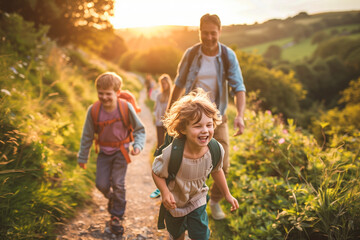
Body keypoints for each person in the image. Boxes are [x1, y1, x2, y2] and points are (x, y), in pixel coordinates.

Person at [167, 13, 246, 220]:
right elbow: (179, 83)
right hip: (191, 117)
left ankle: (215, 200)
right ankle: (186, 204)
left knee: (224, 163)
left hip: (217, 118)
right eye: (205, 33)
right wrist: (169, 112)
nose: (209, 38)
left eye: (213, 33)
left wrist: (240, 115)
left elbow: (239, 87)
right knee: (184, 163)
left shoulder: (228, 56)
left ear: (220, 32)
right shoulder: (192, 54)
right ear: (199, 32)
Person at [152, 89, 239, 240]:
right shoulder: (172, 153)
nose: (205, 131)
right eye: (198, 126)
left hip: (197, 199)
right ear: (183, 129)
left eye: (209, 125)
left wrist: (227, 194)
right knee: (177, 235)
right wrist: (165, 192)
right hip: (175, 202)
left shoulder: (215, 149)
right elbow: (156, 172)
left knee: (201, 236)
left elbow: (217, 171)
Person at [77, 72, 146, 234]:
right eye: (100, 93)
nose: (104, 97)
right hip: (103, 153)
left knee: (118, 183)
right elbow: (87, 135)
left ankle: (116, 215)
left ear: (117, 93)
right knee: (101, 184)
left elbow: (139, 130)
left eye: (108, 94)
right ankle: (114, 199)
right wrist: (83, 156)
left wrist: (138, 145)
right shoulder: (93, 110)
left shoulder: (125, 107)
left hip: (121, 152)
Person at [150, 74, 173, 199]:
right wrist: (156, 117)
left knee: (168, 145)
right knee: (160, 144)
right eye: (162, 83)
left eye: (165, 83)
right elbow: (156, 108)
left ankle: (168, 171)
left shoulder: (173, 95)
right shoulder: (159, 95)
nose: (164, 85)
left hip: (169, 123)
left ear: (168, 83)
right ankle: (159, 171)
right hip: (159, 123)